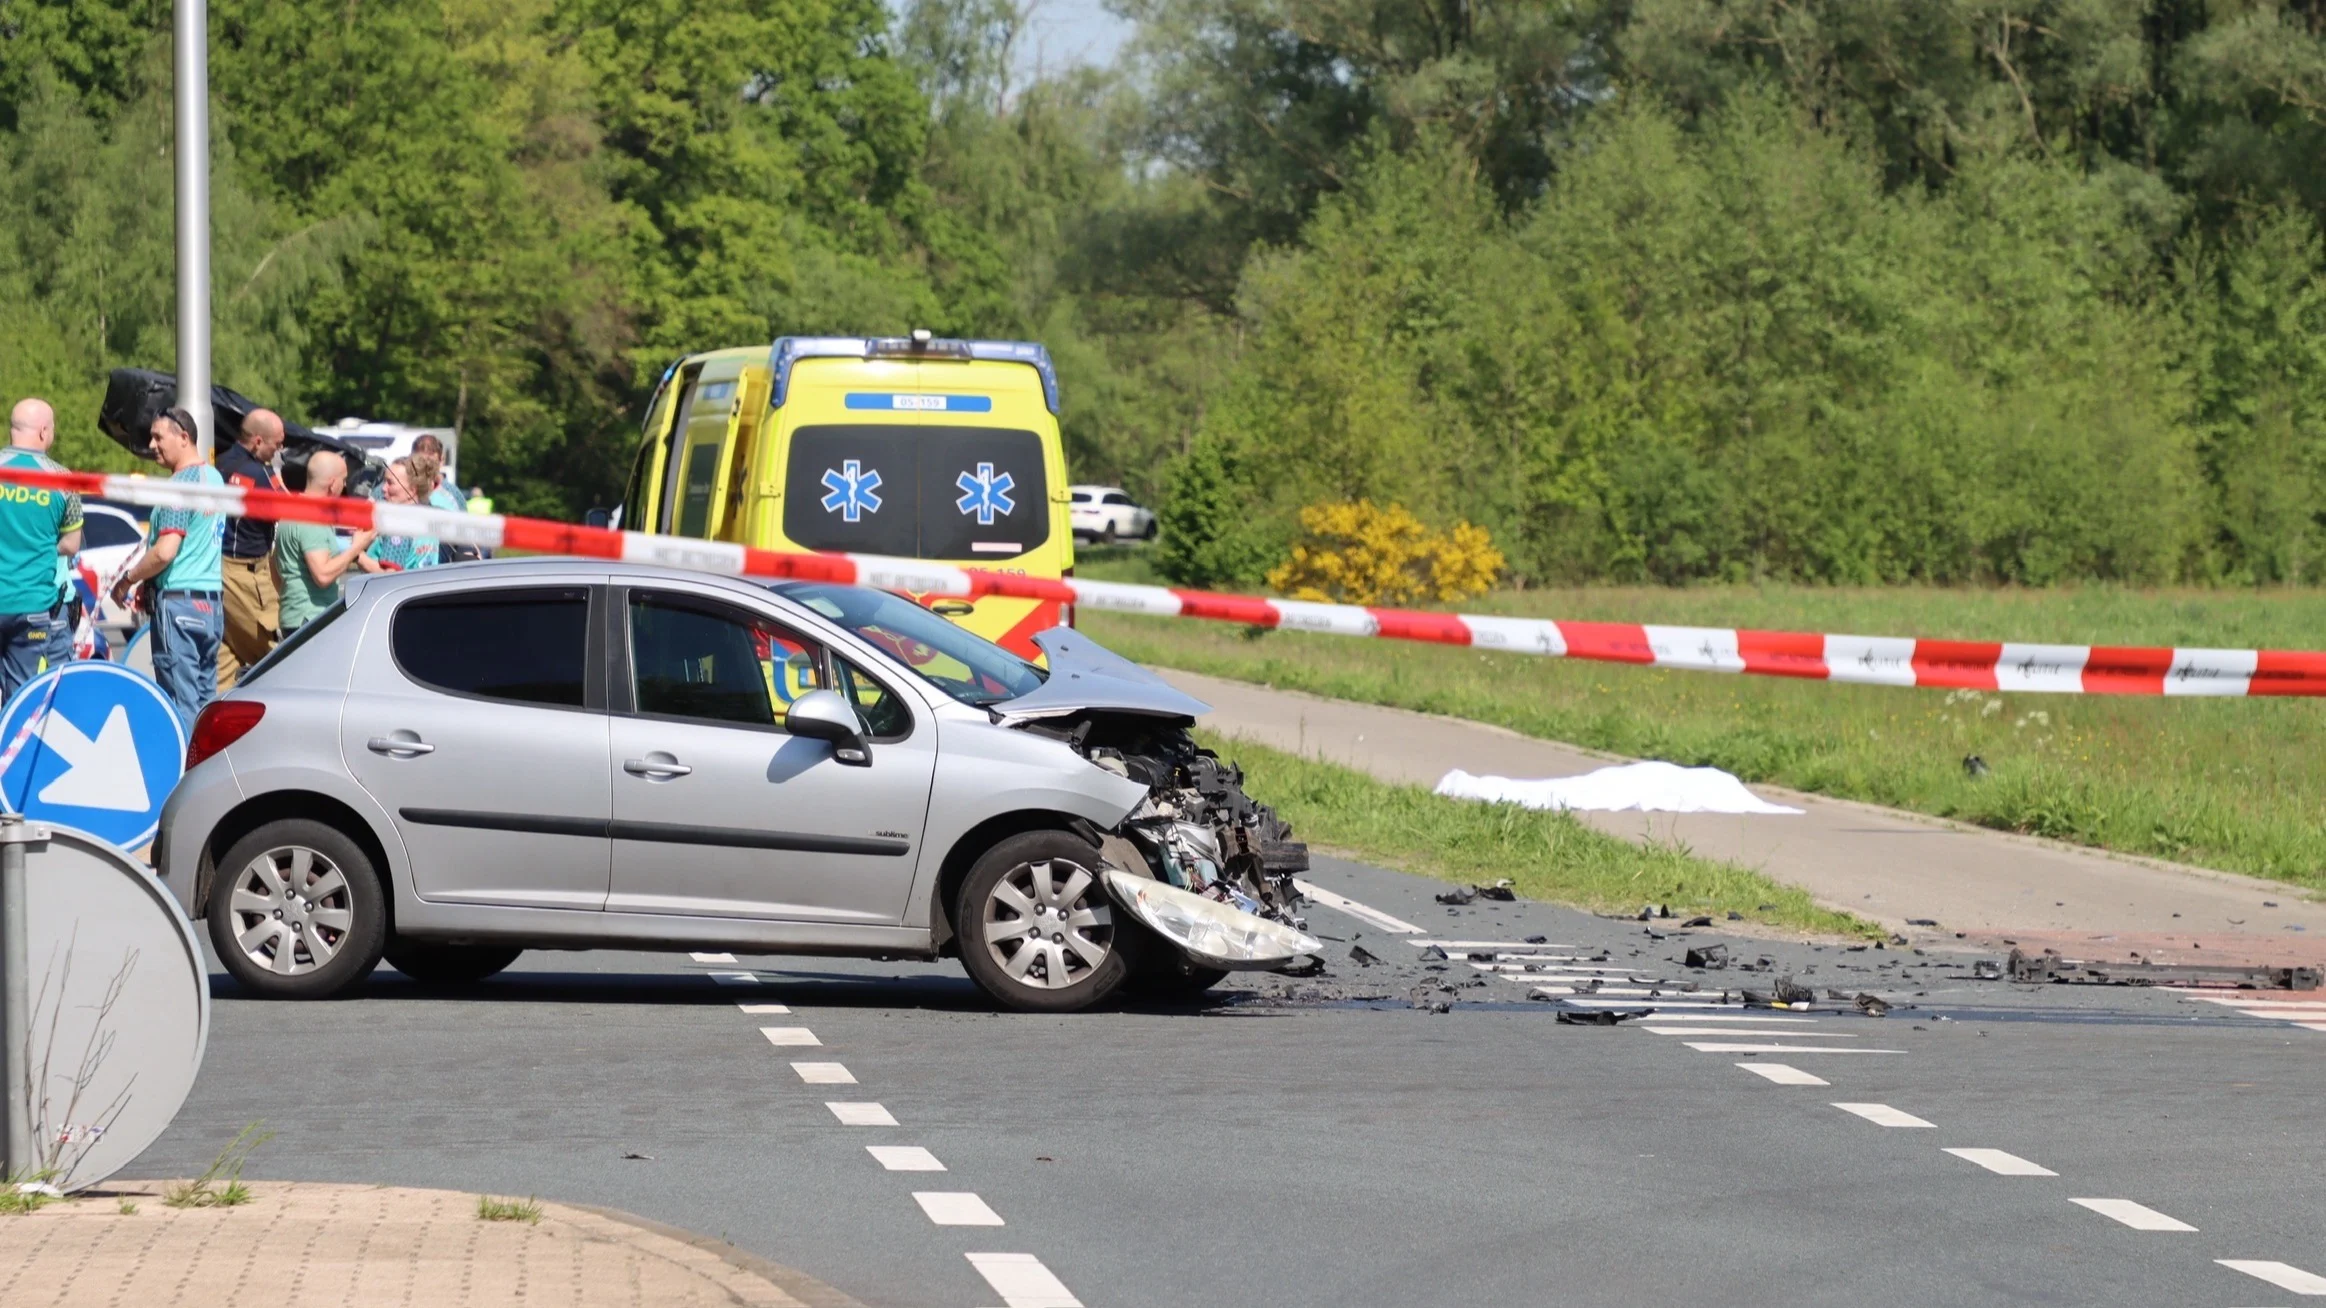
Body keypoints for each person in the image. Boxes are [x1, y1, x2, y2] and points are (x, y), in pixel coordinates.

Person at [111, 409, 225, 726]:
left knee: (180, 707)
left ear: (184, 437)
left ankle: (185, 775)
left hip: (179, 606)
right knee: (204, 705)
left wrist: (127, 581)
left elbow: (166, 551)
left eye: (159, 437)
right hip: (211, 606)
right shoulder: (214, 478)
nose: (152, 444)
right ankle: (207, 772)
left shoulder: (179, 485)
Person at [0, 398, 83, 701]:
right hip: (32, 606)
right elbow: (71, 544)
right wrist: (40, 545)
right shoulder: (63, 480)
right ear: (44, 431)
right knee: (20, 698)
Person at [216, 408, 286, 690]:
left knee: (227, 659)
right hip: (248, 574)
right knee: (277, 653)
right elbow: (285, 509)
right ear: (258, 441)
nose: (280, 449)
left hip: (218, 569)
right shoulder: (257, 472)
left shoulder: (220, 464)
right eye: (277, 444)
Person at [271, 450, 373, 637]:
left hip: (295, 616)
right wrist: (357, 547)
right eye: (343, 480)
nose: (344, 486)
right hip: (309, 620)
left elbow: (274, 565)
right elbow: (323, 575)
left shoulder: (292, 510)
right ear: (332, 483)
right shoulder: (312, 518)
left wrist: (291, 595)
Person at [363, 458, 428, 572]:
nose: (383, 488)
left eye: (390, 483)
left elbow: (390, 578)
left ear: (412, 490)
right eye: (384, 482)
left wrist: (354, 553)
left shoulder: (398, 526)